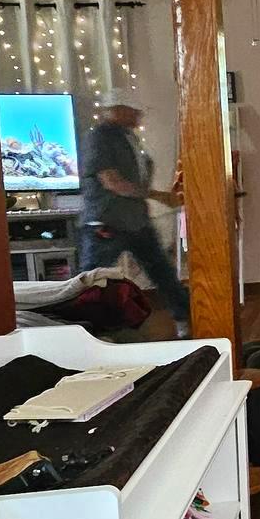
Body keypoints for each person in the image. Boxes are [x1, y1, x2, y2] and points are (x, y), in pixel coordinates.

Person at [79, 89, 192, 336]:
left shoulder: (128, 137)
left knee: (162, 272)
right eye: (134, 111)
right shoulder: (100, 138)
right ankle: (83, 332)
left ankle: (186, 318)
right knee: (90, 281)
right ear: (119, 110)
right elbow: (111, 181)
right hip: (106, 222)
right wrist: (159, 196)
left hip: (135, 221)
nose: (139, 116)